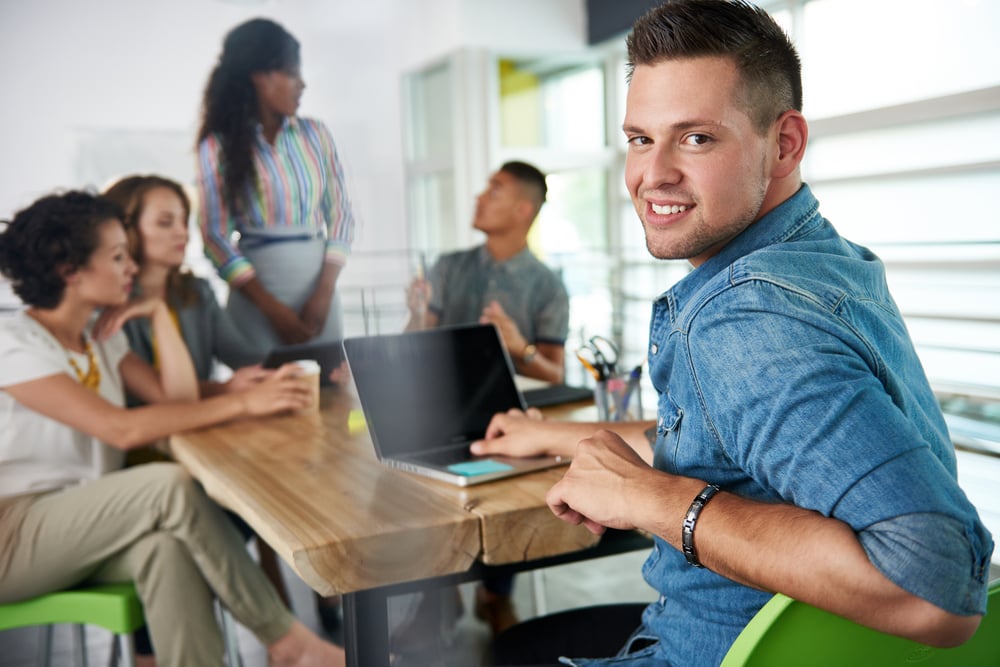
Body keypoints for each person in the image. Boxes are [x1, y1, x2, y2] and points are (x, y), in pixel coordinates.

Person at [469, 1, 995, 665]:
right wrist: (547, 434)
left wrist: (646, 495)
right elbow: (736, 439)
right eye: (639, 138)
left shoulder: (747, 316)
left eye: (695, 138)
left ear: (785, 143)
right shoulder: (825, 261)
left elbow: (936, 588)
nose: (651, 174)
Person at [0, 190, 345, 667]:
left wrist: (161, 315)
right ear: (69, 271)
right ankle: (287, 641)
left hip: (81, 524)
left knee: (167, 551)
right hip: (14, 537)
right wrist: (243, 400)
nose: (130, 268)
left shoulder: (102, 338)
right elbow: (120, 430)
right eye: (118, 257)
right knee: (170, 484)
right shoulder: (14, 344)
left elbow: (178, 401)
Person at [196, 18, 355, 350]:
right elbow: (215, 236)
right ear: (261, 76)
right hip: (257, 302)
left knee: (328, 389)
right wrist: (271, 309)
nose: (303, 85)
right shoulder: (217, 147)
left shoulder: (316, 135)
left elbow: (341, 214)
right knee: (264, 391)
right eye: (293, 73)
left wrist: (324, 292)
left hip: (319, 296)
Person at [406, 161, 569, 385]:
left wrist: (521, 348)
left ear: (522, 210)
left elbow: (555, 376)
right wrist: (417, 315)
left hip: (512, 414)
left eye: (493, 191)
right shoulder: (448, 267)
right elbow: (409, 350)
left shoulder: (549, 287)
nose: (479, 198)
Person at [104, 175, 268, 398]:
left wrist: (302, 368)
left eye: (184, 221)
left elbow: (244, 357)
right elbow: (141, 397)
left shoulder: (197, 290)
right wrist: (223, 389)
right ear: (126, 230)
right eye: (165, 222)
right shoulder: (106, 303)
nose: (183, 233)